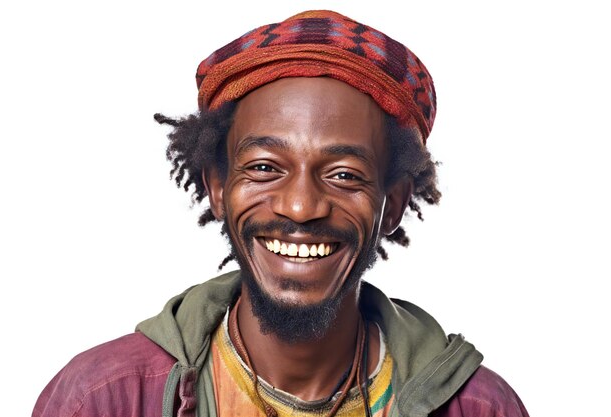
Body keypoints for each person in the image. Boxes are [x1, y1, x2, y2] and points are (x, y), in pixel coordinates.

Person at [32, 10, 529, 417]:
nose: (300, 206)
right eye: (266, 167)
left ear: (392, 204)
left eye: (343, 174)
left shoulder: (479, 408)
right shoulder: (102, 400)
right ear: (218, 188)